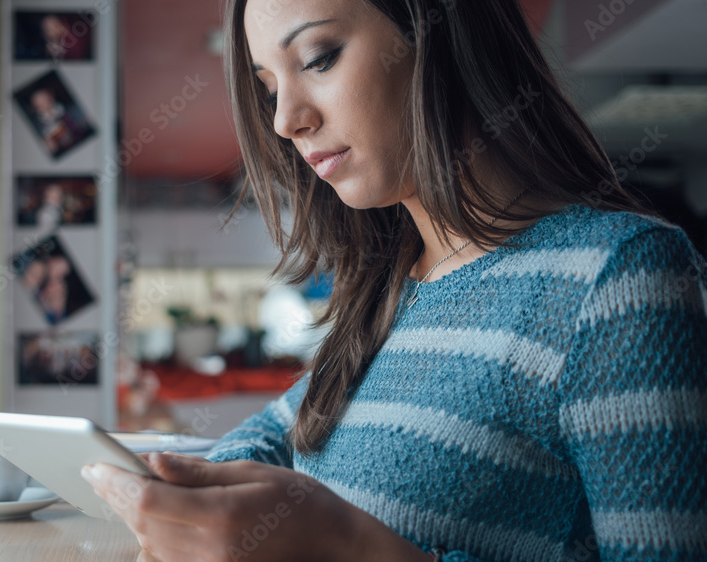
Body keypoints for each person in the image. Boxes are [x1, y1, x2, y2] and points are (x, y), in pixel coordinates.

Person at [81, 0, 707, 561]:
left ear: (433, 31)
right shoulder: (389, 287)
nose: (284, 120)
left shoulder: (617, 277)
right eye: (268, 87)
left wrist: (351, 546)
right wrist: (174, 490)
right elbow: (277, 433)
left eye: (318, 58)